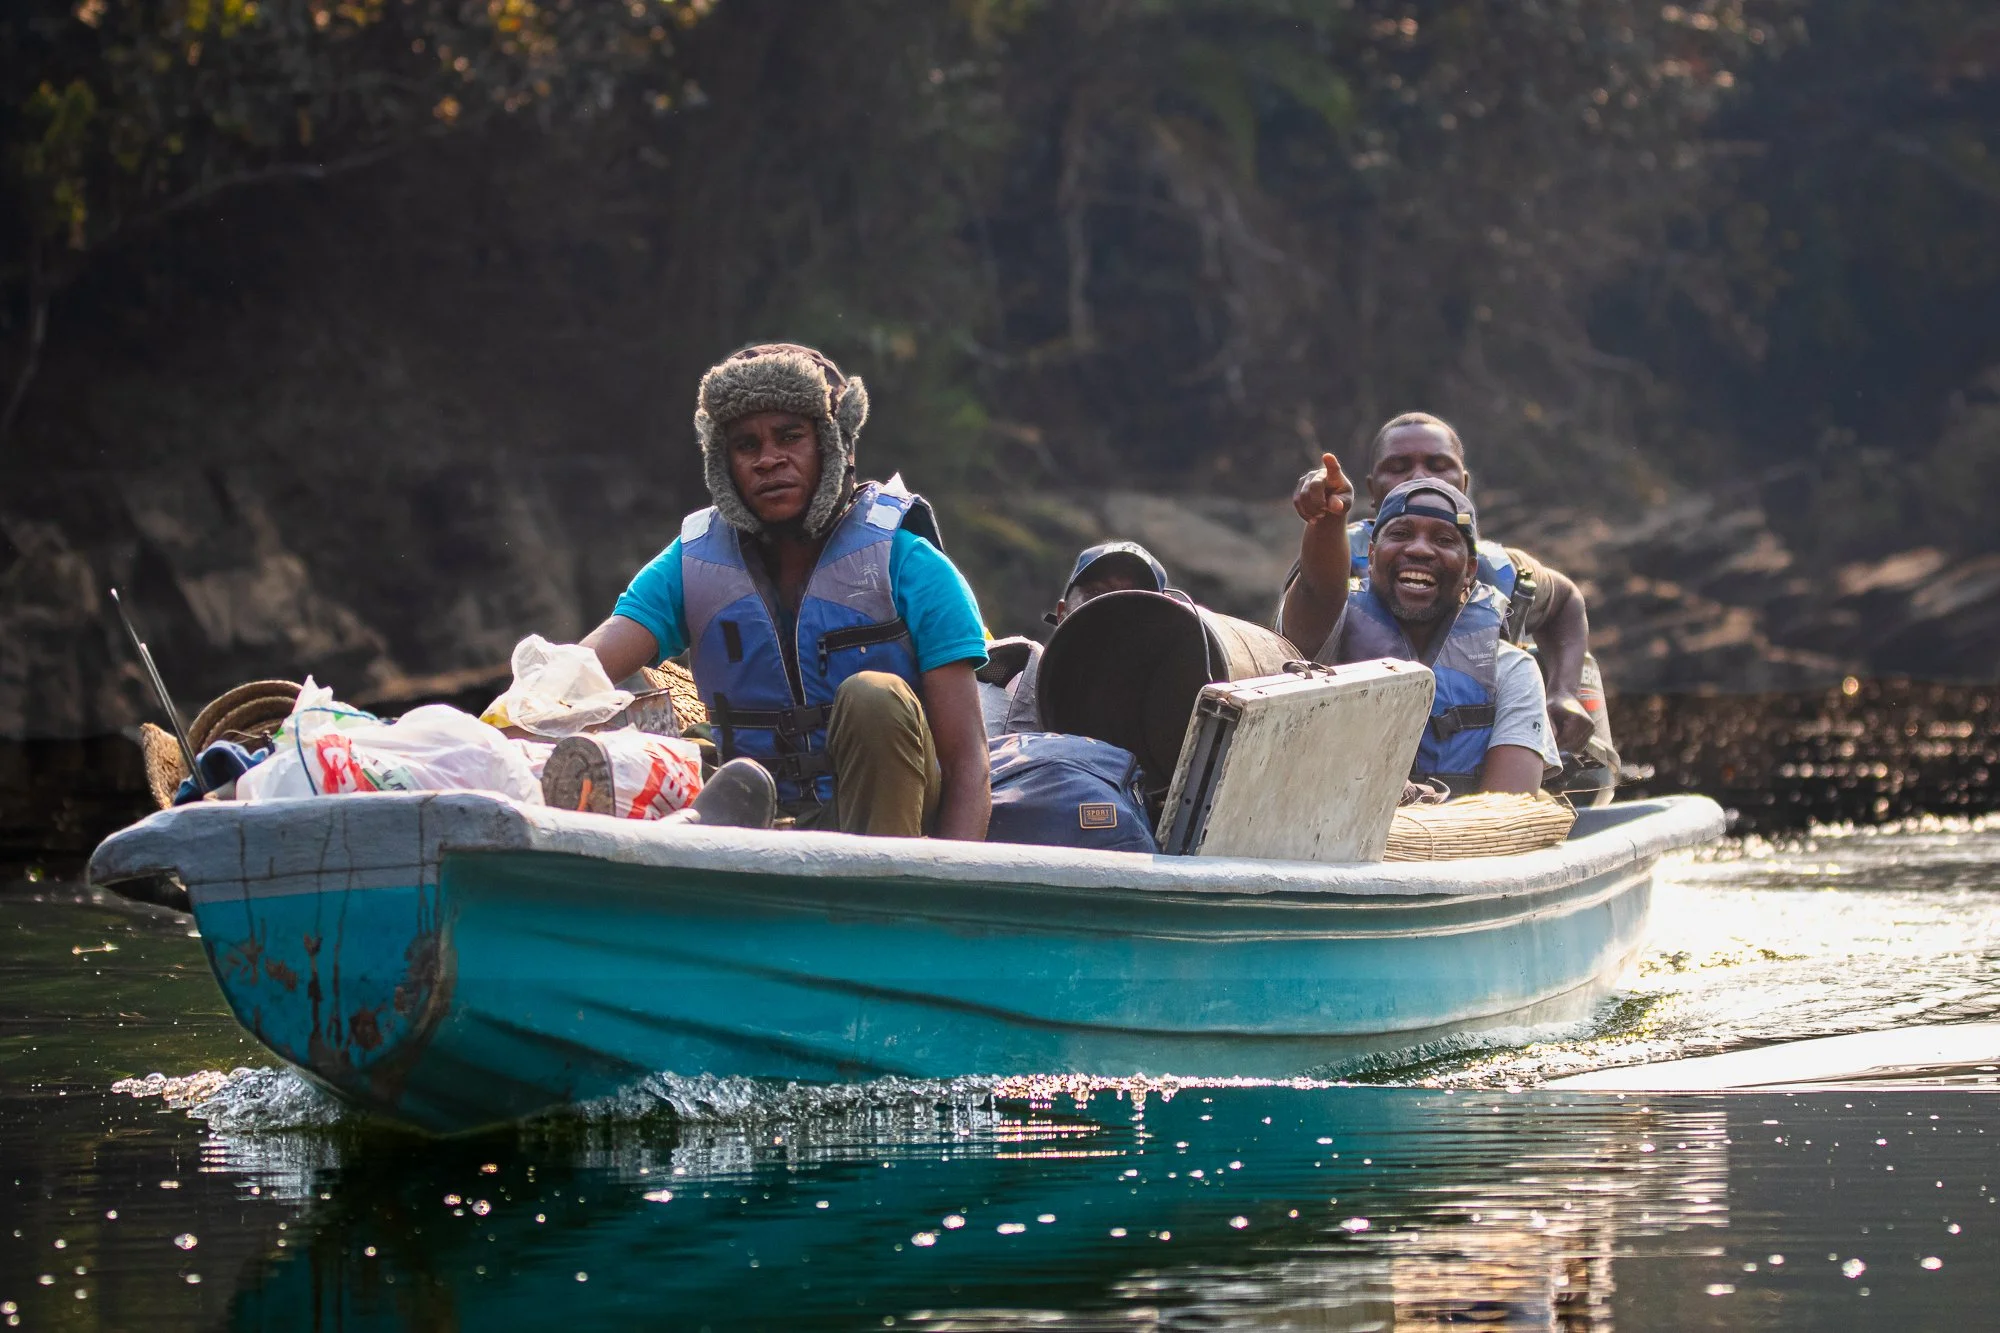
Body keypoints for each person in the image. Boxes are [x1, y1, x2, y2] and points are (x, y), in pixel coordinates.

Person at [579, 343, 991, 839]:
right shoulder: (691, 561)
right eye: (746, 445)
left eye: (790, 437)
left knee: (873, 697)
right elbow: (585, 670)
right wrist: (513, 715)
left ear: (834, 446)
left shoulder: (912, 564)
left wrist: (941, 900)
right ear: (723, 464)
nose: (768, 460)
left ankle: (876, 896)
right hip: (753, 812)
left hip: (894, 828)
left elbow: (969, 765)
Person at [1288, 413, 1597, 755]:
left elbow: (1566, 600)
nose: (1420, 477)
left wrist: (1564, 690)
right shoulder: (1329, 559)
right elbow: (1312, 598)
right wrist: (1325, 519)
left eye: (1438, 465)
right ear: (1373, 489)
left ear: (1463, 484)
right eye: (1399, 466)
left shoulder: (1500, 569)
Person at [1279, 476, 1559, 795]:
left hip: (1457, 840)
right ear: (1371, 556)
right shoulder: (1329, 632)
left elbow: (1508, 813)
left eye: (1443, 539)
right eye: (1401, 534)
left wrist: (1422, 807)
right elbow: (1316, 590)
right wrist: (1328, 520)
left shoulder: (1512, 671)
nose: (1420, 550)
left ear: (1469, 570)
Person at [982, 540, 1174, 736]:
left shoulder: (1166, 730)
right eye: (1096, 593)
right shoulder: (1001, 682)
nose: (1110, 609)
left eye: (1133, 603)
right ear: (1062, 613)